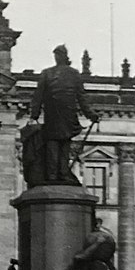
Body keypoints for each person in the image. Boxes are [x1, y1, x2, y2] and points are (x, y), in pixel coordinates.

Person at [26, 44, 100, 185]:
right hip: (57, 114)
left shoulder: (61, 73)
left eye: (58, 55)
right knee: (56, 143)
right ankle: (57, 174)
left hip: (64, 114)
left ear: (64, 57)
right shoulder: (52, 73)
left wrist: (90, 114)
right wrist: (34, 116)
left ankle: (59, 173)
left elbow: (81, 97)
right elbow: (38, 96)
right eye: (56, 55)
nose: (57, 57)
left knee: (61, 144)